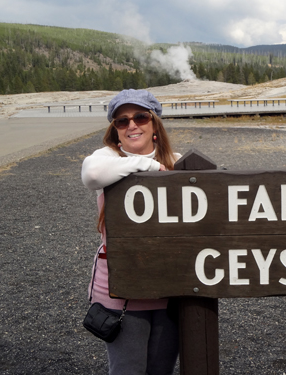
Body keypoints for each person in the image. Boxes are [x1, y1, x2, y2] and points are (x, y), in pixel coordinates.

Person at [81, 89, 181, 375]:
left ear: (154, 125)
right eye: (122, 121)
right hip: (121, 291)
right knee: (127, 370)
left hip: (169, 287)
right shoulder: (107, 158)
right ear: (115, 130)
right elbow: (92, 175)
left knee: (160, 369)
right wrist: (148, 165)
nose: (132, 125)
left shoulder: (176, 160)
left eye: (140, 116)